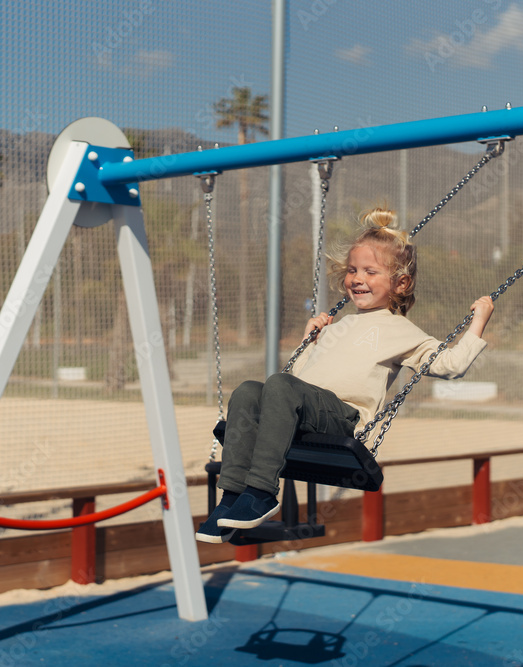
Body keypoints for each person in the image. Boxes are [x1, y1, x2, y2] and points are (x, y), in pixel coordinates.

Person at [196, 207, 495, 543]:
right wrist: (310, 342)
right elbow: (297, 379)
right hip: (308, 412)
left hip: (343, 418)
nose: (357, 279)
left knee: (276, 386)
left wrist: (478, 322)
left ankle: (262, 492)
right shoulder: (341, 325)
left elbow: (450, 365)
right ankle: (233, 496)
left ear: (401, 282)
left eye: (370, 271)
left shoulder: (403, 331)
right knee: (249, 391)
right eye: (353, 270)